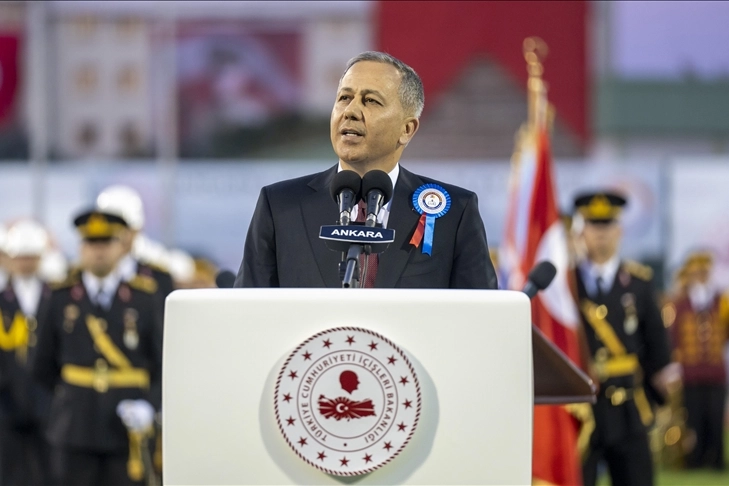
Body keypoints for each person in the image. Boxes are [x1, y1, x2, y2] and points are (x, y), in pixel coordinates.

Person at [236, 51, 497, 289]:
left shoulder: (455, 213)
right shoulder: (280, 206)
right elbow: (246, 311)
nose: (350, 111)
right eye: (344, 98)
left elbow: (482, 317)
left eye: (371, 101)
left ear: (407, 129)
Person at [31, 209, 162, 486]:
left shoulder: (144, 298)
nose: (98, 251)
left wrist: (150, 406)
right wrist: (62, 407)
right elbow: (41, 365)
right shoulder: (59, 297)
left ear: (121, 246)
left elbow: (162, 364)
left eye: (106, 242)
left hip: (127, 432)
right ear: (81, 247)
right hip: (74, 429)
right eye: (91, 243)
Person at [571, 191, 676, 486]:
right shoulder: (566, 284)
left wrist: (655, 401)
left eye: (607, 225)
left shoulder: (640, 282)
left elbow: (657, 347)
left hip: (629, 409)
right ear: (581, 232)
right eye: (593, 225)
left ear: (619, 230)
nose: (600, 233)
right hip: (582, 409)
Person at [0, 220, 53, 485]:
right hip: (7, 398)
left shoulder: (55, 296)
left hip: (47, 397)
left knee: (49, 470)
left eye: (31, 256)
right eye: (21, 256)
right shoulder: (2, 298)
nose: (25, 263)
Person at [665, 251, 728, 470]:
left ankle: (717, 460)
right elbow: (673, 337)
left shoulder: (721, 302)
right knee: (694, 418)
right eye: (697, 272)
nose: (701, 277)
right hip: (690, 372)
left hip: (716, 372)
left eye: (704, 272)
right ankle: (695, 460)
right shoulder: (680, 305)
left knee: (715, 417)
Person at [96, 185, 174, 308]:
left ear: (136, 230)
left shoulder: (156, 276)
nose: (118, 236)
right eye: (110, 230)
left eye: (123, 229)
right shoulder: (85, 276)